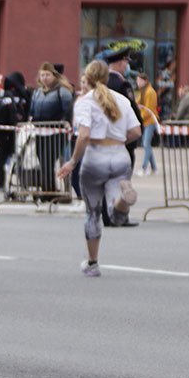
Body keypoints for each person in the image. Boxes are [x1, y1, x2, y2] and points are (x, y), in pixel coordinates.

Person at [56, 60, 142, 277]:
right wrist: (120, 141)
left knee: (93, 212)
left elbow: (84, 134)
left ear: (88, 77)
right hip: (120, 156)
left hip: (96, 157)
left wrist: (73, 161)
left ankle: (93, 263)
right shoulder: (121, 99)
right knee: (115, 214)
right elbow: (136, 132)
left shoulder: (85, 102)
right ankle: (122, 198)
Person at [28, 62, 74, 197]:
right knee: (42, 161)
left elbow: (69, 111)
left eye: (47, 74)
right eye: (42, 75)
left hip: (56, 133)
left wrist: (65, 123)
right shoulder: (37, 92)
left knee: (49, 161)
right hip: (39, 132)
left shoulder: (62, 91)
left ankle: (49, 191)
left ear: (54, 75)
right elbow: (32, 111)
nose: (44, 78)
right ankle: (48, 189)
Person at [134, 71, 159, 175]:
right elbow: (137, 103)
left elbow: (149, 109)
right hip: (146, 121)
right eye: (137, 80)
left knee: (145, 143)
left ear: (145, 81)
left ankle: (144, 168)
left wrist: (139, 117)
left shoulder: (150, 92)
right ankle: (154, 168)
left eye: (139, 80)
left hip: (150, 121)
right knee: (147, 144)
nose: (138, 82)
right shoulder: (143, 91)